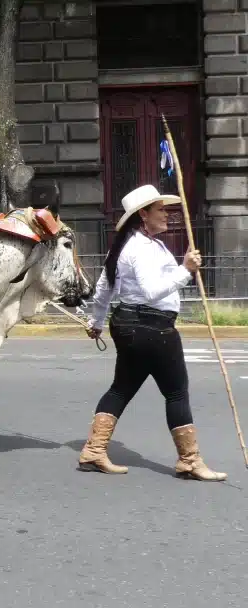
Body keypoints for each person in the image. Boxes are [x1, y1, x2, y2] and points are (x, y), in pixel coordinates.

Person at [77, 184, 226, 481]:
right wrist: (186, 270)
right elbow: (150, 292)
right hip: (151, 327)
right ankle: (190, 461)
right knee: (176, 392)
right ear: (143, 214)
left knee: (121, 388)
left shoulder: (132, 245)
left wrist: (96, 322)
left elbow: (104, 289)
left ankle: (94, 451)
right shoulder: (140, 248)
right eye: (161, 209)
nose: (168, 215)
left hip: (130, 326)